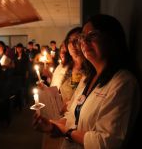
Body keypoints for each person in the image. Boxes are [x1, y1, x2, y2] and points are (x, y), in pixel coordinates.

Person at [33, 14, 141, 149]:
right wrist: (52, 126)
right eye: (82, 37)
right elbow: (72, 115)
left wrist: (67, 132)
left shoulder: (123, 83)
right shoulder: (87, 78)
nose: (84, 42)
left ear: (111, 38)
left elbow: (106, 142)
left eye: (92, 35)